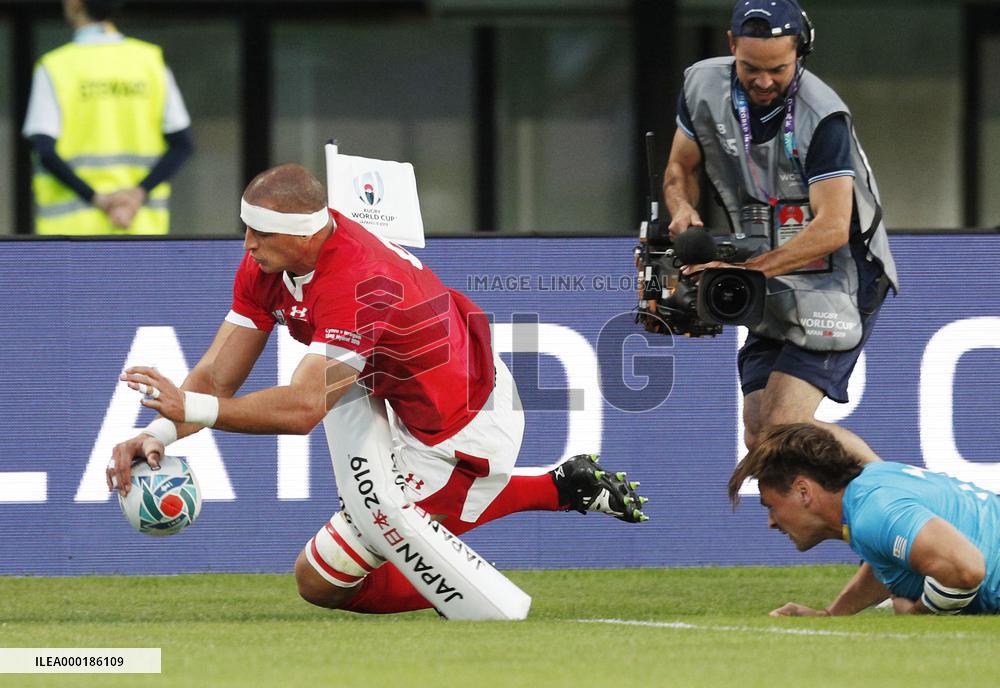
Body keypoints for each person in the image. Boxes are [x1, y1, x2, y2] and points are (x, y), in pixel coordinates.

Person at [107, 163, 647, 615]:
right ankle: (556, 488)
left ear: (304, 233)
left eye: (261, 233)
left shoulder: (359, 281)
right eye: (246, 229)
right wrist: (160, 431)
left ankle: (548, 493)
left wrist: (189, 406)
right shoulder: (266, 265)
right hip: (394, 396)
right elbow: (218, 377)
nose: (247, 244)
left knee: (320, 581)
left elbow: (302, 410)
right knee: (326, 572)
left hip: (461, 428)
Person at [662, 0, 898, 462]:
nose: (764, 81)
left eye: (779, 69)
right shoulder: (701, 85)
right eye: (751, 67)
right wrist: (682, 206)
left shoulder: (823, 116)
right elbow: (679, 165)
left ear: (800, 54)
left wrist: (748, 272)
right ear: (731, 46)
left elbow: (831, 228)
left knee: (783, 429)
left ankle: (898, 494)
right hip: (772, 266)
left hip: (843, 274)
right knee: (758, 438)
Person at [728, 423, 1000, 616]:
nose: (771, 522)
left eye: (771, 506)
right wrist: (832, 615)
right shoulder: (867, 494)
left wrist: (920, 615)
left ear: (803, 491)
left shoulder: (874, 512)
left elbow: (966, 569)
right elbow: (891, 561)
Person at [22, 0, 193, 235]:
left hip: (70, 241)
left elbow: (45, 151)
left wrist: (98, 199)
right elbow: (182, 145)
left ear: (74, 4)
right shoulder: (150, 61)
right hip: (141, 232)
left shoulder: (54, 67)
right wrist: (137, 195)